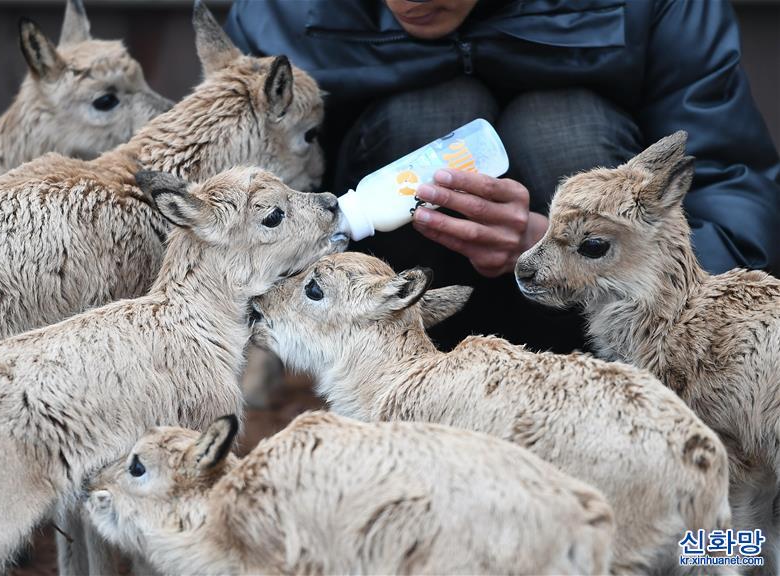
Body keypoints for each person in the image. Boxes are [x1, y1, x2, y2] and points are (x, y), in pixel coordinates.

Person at [225, 0, 780, 352]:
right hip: (395, 319)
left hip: (603, 317)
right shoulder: (280, 12)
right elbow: (235, 217)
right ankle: (404, 402)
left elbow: (731, 195)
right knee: (430, 119)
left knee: (559, 125)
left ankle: (600, 406)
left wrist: (573, 247)